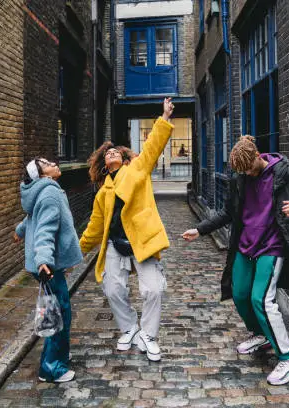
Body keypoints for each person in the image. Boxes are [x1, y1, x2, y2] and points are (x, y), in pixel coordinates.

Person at [181, 135, 289, 385]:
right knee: (241, 293)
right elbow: (228, 212)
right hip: (245, 246)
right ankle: (261, 334)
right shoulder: (240, 178)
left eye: (248, 168)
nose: (246, 173)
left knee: (262, 299)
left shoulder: (287, 173)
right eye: (241, 171)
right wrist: (200, 229)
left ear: (257, 155)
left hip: (273, 245)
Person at [79, 98, 175, 362]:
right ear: (102, 164)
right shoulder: (102, 193)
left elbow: (153, 147)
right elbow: (95, 228)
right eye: (107, 153)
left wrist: (164, 117)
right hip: (114, 245)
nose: (112, 153)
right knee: (112, 289)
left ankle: (149, 335)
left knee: (154, 289)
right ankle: (130, 327)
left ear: (123, 158)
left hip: (140, 241)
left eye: (116, 152)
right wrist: (76, 252)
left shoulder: (137, 171)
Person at [13, 157, 83, 383]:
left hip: (42, 263)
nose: (53, 162)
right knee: (58, 313)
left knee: (53, 310)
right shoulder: (50, 192)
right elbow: (46, 228)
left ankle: (58, 354)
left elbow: (33, 216)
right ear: (42, 175)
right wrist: (45, 260)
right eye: (46, 163)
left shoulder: (40, 191)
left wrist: (20, 230)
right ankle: (52, 368)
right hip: (47, 265)